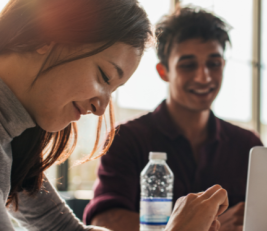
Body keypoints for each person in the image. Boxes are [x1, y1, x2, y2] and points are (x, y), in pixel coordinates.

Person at [0, 0, 228, 230]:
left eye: (113, 90)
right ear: (46, 34)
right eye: (104, 76)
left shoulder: (15, 142)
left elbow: (64, 228)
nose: (100, 109)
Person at [84, 7, 263, 231]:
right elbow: (104, 221)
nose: (203, 76)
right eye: (188, 65)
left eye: (214, 64)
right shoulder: (127, 139)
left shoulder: (247, 145)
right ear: (163, 72)